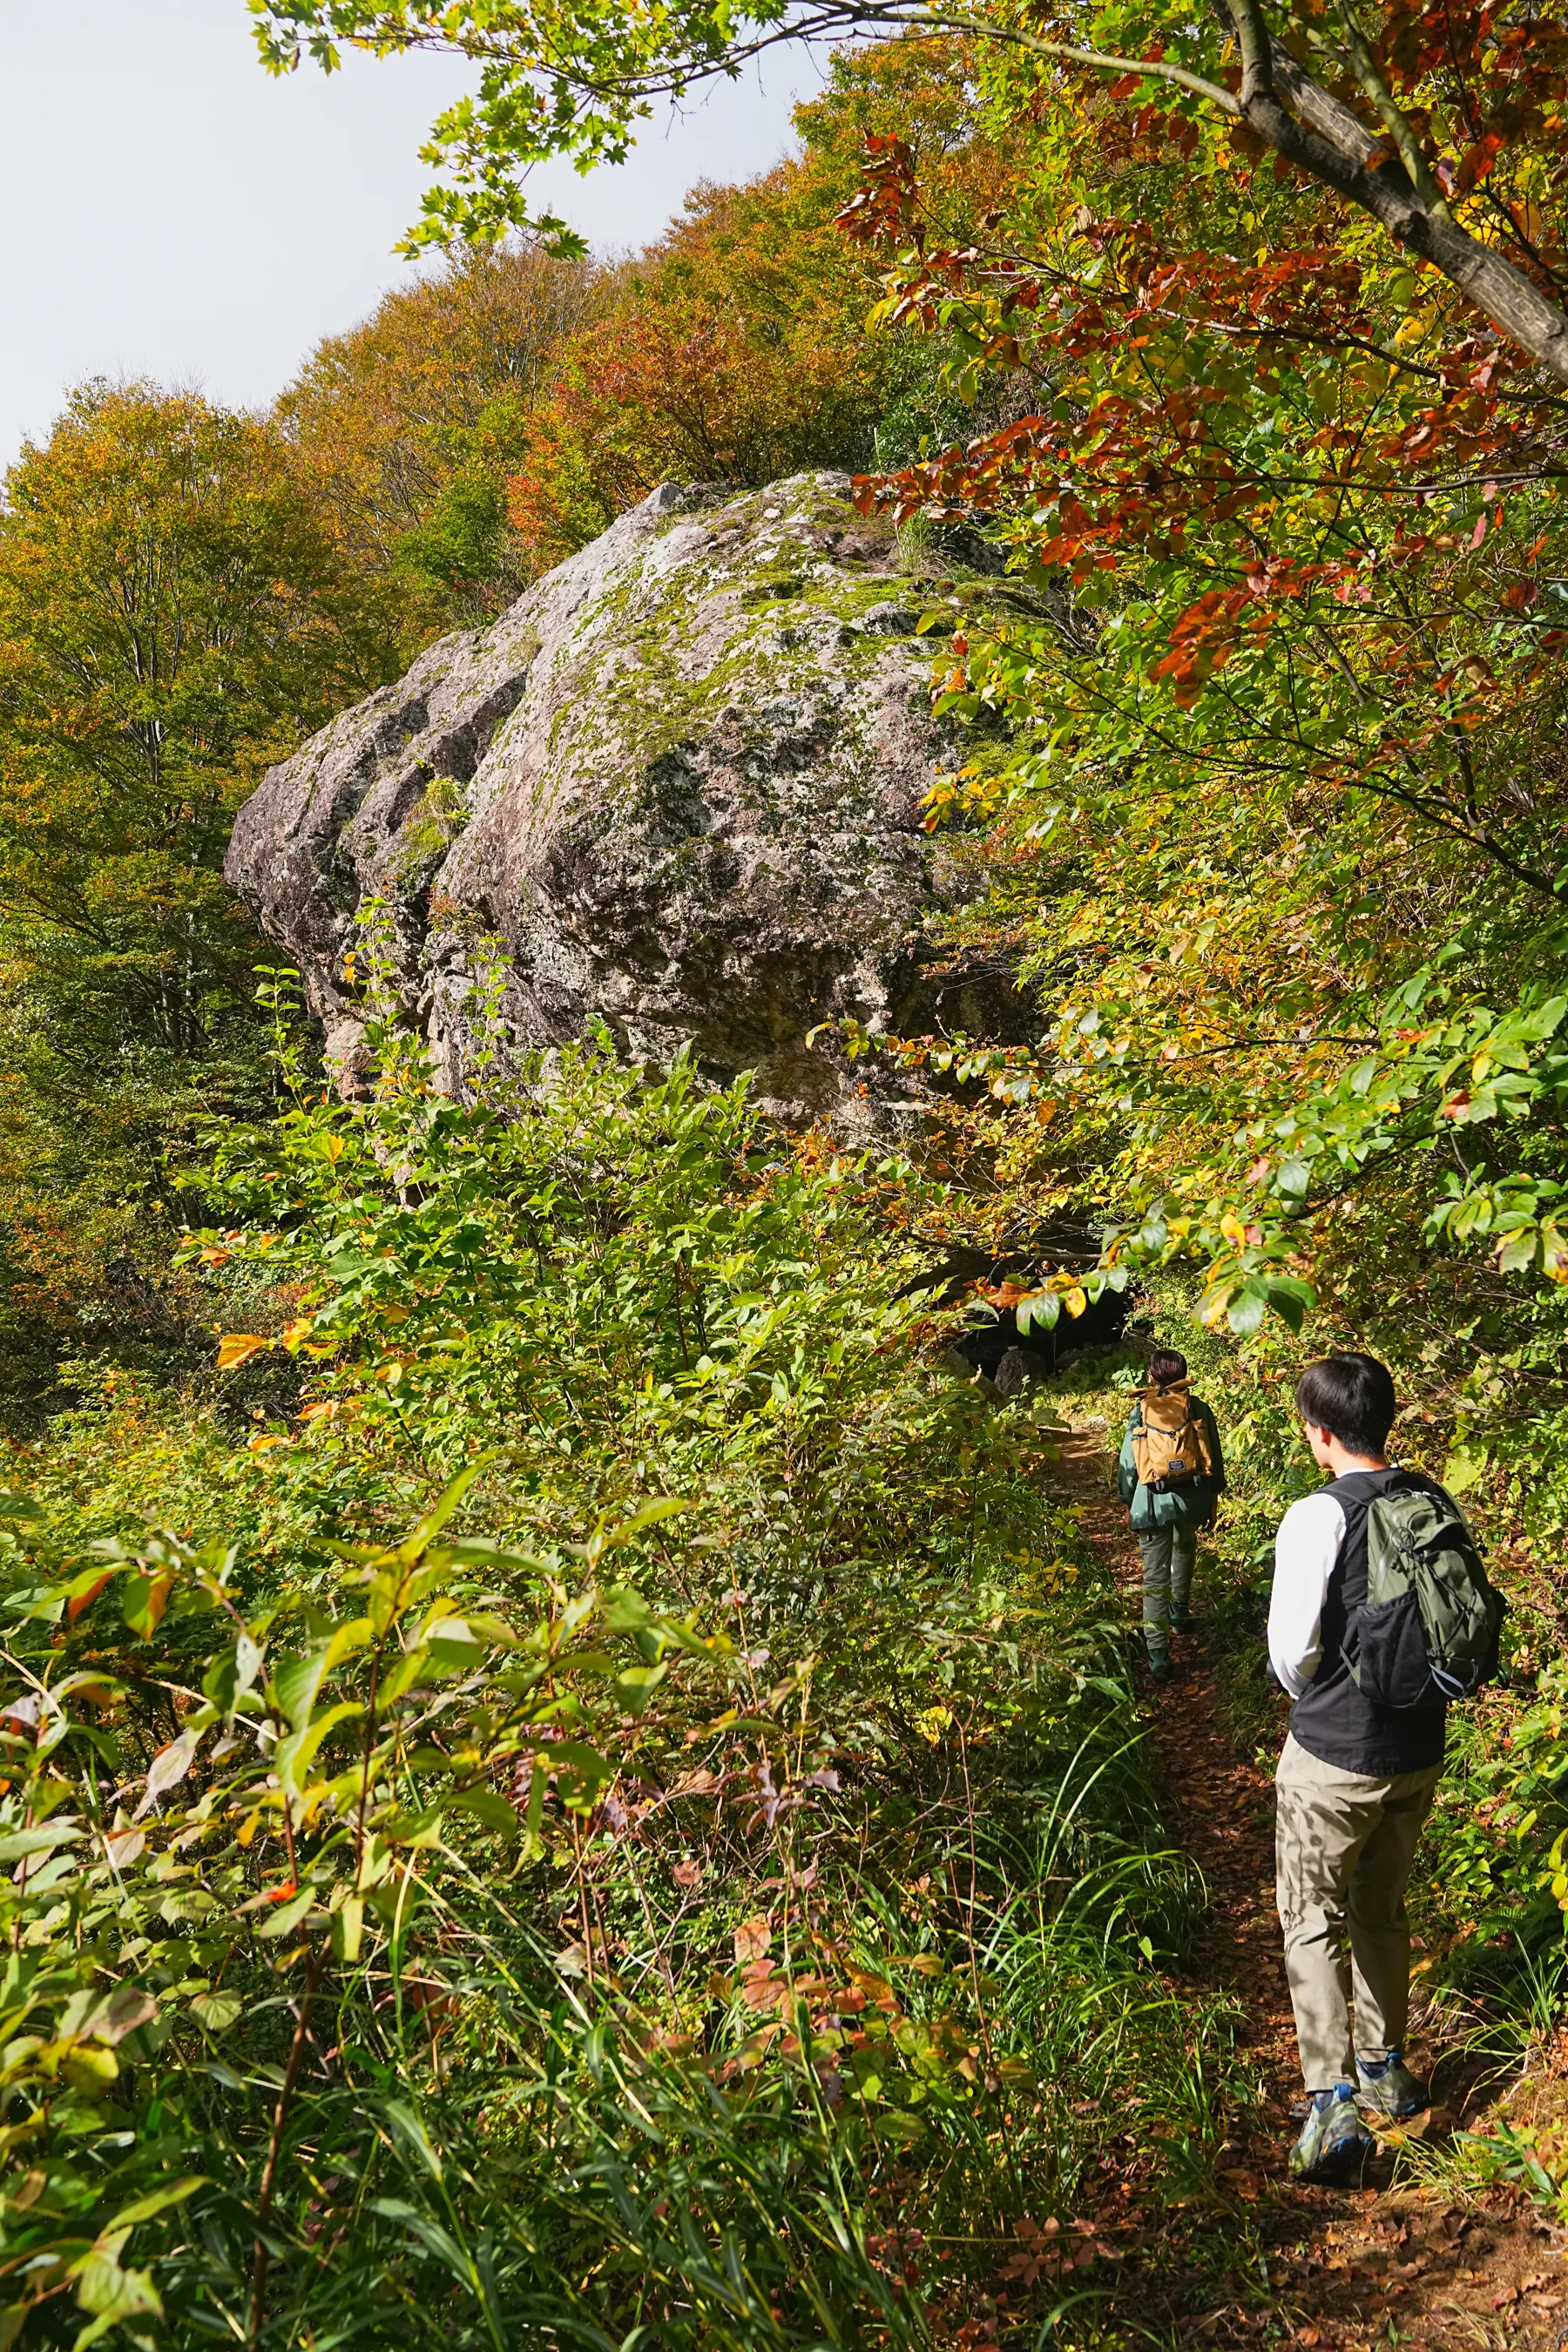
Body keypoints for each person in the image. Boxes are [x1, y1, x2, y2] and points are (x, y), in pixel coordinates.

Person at [1269, 1351, 1445, 2181]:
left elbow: (1292, 1650)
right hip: (1418, 1750)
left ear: (1325, 1432)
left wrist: (1317, 1701)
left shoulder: (1318, 1514)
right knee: (1383, 1907)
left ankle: (1331, 2103)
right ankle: (1385, 2070)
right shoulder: (1429, 1498)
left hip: (1334, 1753)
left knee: (1311, 1917)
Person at [1118, 1349, 1224, 1683]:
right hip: (1193, 1497)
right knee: (1185, 1548)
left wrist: (1126, 1502)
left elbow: (1129, 1466)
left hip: (1152, 1502)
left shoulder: (1141, 1411)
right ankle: (1179, 1612)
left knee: (1154, 1576)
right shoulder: (1198, 1408)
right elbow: (1214, 1458)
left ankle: (1159, 1653)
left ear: (1152, 1377)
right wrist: (1213, 1497)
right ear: (1184, 1374)